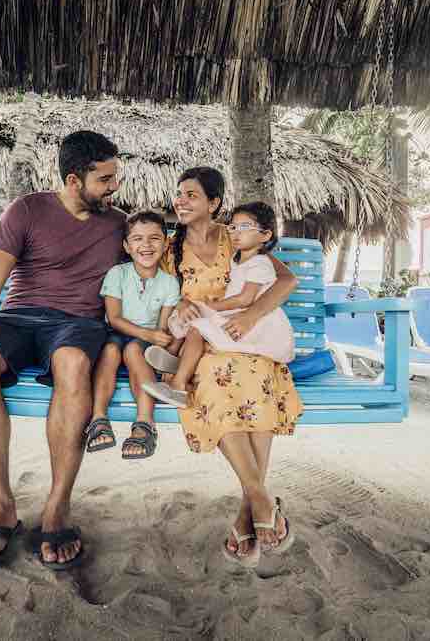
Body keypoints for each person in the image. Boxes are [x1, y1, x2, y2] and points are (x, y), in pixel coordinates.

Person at [0, 130, 125, 571]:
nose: (114, 187)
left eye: (114, 177)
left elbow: (160, 258)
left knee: (73, 364)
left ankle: (57, 507)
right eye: (105, 179)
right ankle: (0, 507)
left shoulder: (118, 224)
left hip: (79, 324)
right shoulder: (27, 210)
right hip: (20, 317)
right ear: (73, 179)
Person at [151, 167, 303, 567]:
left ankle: (247, 511)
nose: (180, 201)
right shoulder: (170, 249)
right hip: (203, 343)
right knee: (217, 384)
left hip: (247, 338)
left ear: (214, 203)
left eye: (190, 195)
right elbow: (166, 300)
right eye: (178, 194)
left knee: (251, 377)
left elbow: (285, 282)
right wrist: (179, 310)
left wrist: (251, 317)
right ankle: (261, 503)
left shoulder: (234, 237)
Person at [141, 201, 294, 408]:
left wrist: (213, 306)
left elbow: (246, 299)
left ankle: (178, 383)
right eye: (234, 227)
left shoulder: (257, 260)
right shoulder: (237, 256)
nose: (237, 233)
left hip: (250, 321)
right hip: (233, 313)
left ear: (213, 202)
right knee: (192, 319)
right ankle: (175, 360)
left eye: (192, 195)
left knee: (198, 325)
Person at [86, 210, 181, 459]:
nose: (146, 245)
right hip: (116, 331)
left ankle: (145, 423)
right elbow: (115, 318)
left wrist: (156, 337)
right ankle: (98, 418)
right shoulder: (118, 274)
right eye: (137, 239)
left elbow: (161, 327)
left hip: (144, 344)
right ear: (127, 246)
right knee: (110, 349)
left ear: (166, 242)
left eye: (154, 238)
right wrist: (148, 334)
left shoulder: (170, 283)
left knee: (133, 349)